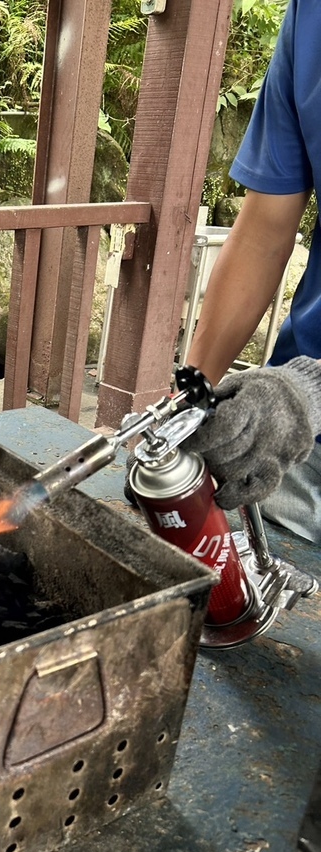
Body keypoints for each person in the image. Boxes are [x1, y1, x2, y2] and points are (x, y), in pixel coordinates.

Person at [182, 0, 321, 545]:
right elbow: (264, 230)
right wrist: (189, 400)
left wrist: (310, 391)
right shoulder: (309, 18)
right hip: (302, 439)